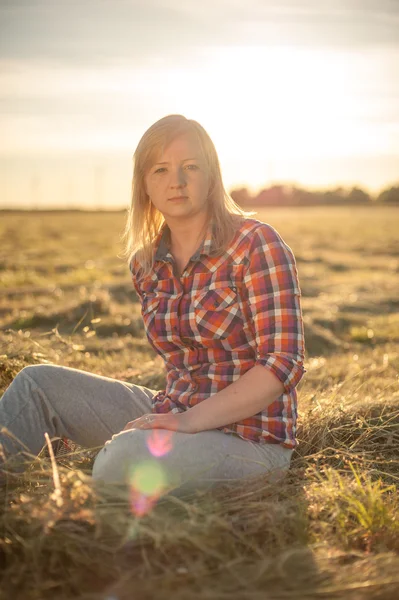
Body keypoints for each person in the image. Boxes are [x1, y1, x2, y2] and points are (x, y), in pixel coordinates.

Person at [0, 114, 306, 500]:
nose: (176, 181)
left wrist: (189, 423)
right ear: (144, 185)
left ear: (212, 175)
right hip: (172, 412)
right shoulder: (147, 264)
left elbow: (282, 363)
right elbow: (181, 365)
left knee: (123, 459)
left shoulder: (256, 243)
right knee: (36, 384)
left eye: (190, 166)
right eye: (160, 169)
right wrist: (173, 420)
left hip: (250, 441)